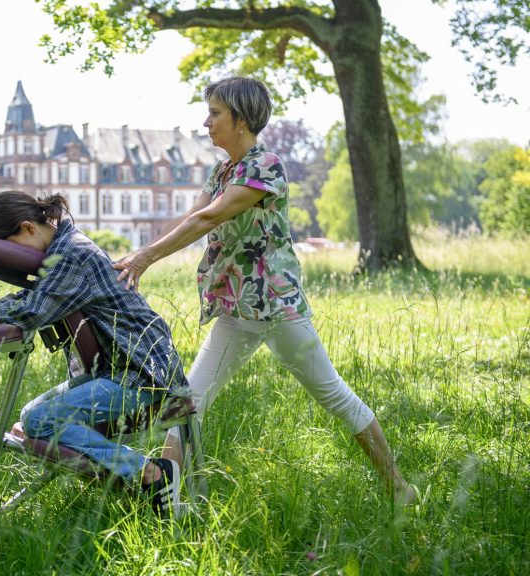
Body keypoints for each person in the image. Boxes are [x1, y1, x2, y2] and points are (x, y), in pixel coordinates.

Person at [113, 76, 416, 504]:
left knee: (333, 394)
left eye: (215, 113)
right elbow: (188, 219)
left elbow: (208, 221)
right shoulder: (222, 171)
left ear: (241, 119)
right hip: (237, 308)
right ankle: (168, 499)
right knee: (188, 401)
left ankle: (399, 489)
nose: (206, 122)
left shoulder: (264, 165)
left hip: (274, 307)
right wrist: (136, 254)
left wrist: (146, 259)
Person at [0, 191, 189, 517]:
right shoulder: (63, 250)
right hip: (124, 371)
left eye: (12, 249)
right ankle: (134, 483)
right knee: (30, 417)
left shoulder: (72, 255)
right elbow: (31, 303)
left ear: (28, 228)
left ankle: (151, 474)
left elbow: (30, 312)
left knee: (41, 420)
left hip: (143, 375)